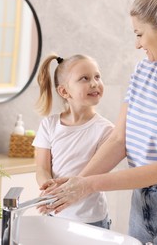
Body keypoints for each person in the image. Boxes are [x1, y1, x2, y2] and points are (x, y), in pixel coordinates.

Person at [40, 0, 157, 244]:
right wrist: (76, 184)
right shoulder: (144, 71)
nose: (137, 44)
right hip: (142, 200)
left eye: (139, 34)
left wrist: (89, 186)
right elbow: (118, 139)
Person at [32, 54, 114, 229]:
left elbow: (94, 175)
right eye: (84, 78)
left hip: (91, 219)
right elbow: (42, 168)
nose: (94, 83)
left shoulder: (106, 130)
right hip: (55, 214)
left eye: (97, 76)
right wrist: (49, 188)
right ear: (64, 91)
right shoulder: (49, 125)